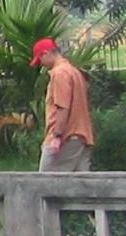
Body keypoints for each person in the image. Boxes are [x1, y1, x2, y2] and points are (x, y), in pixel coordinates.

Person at [32, 37, 95, 172]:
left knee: (45, 184)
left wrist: (57, 136)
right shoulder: (74, 72)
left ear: (46, 53)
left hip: (66, 138)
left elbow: (62, 107)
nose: (41, 64)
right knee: (81, 188)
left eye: (40, 60)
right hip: (82, 137)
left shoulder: (59, 73)